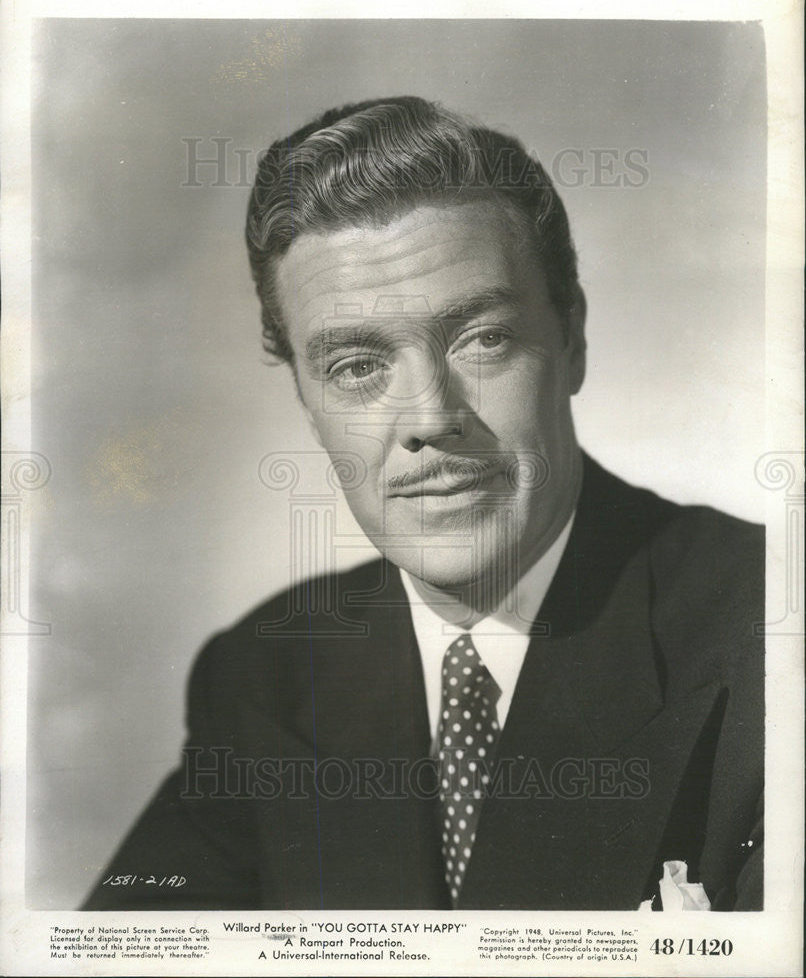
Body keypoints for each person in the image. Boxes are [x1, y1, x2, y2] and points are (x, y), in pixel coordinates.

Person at [83, 96, 763, 911]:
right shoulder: (266, 676)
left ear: (571, 340)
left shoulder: (769, 629)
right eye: (357, 366)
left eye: (483, 339)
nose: (430, 418)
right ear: (306, 398)